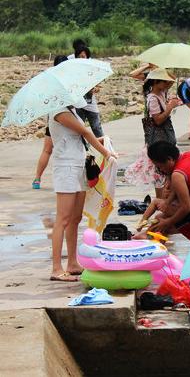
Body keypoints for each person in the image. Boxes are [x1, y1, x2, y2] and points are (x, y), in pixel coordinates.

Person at [49, 105, 116, 281]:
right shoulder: (59, 111)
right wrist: (107, 154)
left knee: (75, 219)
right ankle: (56, 268)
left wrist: (101, 141)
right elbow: (85, 132)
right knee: (62, 219)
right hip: (66, 168)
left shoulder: (71, 111)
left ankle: (72, 263)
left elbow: (78, 138)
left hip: (78, 166)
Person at [124, 68, 180, 198]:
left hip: (163, 139)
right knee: (159, 173)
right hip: (158, 140)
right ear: (156, 82)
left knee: (164, 174)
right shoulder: (152, 98)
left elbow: (172, 80)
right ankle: (161, 201)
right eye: (164, 82)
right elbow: (158, 120)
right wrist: (170, 107)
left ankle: (164, 200)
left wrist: (163, 70)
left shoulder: (161, 92)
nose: (167, 84)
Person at [32, 55, 69, 189]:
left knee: (47, 150)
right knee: (68, 150)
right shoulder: (69, 81)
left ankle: (37, 179)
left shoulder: (49, 81)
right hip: (68, 120)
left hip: (53, 120)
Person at [74, 46, 104, 138]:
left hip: (90, 103)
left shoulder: (92, 70)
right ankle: (83, 151)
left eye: (83, 56)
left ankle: (106, 150)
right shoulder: (73, 70)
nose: (81, 58)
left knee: (96, 128)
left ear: (87, 57)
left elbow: (98, 86)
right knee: (79, 129)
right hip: (78, 103)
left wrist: (95, 89)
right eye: (79, 56)